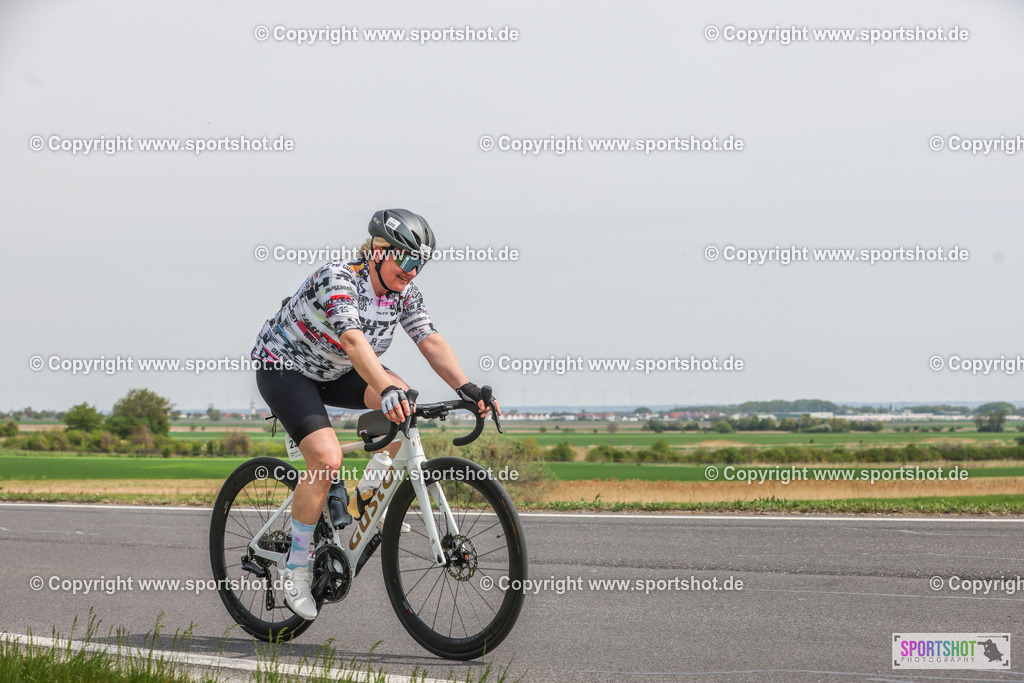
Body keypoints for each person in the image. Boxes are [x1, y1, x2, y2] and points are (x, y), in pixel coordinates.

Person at [250, 208, 499, 620]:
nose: (413, 271)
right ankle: (295, 566)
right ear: (379, 251)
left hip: (336, 371)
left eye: (421, 263)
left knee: (406, 406)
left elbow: (429, 339)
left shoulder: (403, 293)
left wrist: (466, 387)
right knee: (328, 458)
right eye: (407, 259)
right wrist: (384, 388)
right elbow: (351, 340)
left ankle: (363, 496)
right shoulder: (339, 278)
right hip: (286, 368)